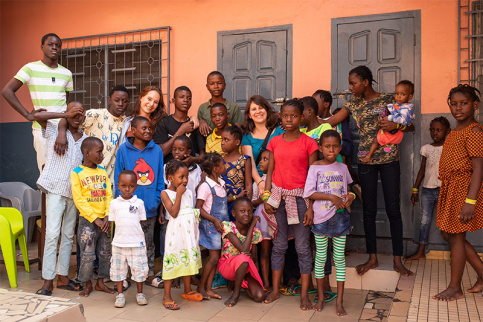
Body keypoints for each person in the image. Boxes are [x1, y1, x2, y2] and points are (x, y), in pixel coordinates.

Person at [324, 65, 413, 277]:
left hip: (390, 159)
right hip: (365, 161)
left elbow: (411, 125)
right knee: (369, 209)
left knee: (393, 209)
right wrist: (308, 124)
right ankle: (372, 257)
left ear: (365, 81)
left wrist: (396, 127)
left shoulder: (389, 100)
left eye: (353, 83)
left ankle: (397, 260)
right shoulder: (353, 103)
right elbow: (332, 121)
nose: (351, 87)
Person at [263, 99, 318, 310]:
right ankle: (276, 290)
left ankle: (304, 295)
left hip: (301, 200)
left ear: (301, 117)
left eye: (293, 116)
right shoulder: (275, 142)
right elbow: (270, 172)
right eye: (285, 115)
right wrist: (268, 196)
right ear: (280, 116)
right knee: (279, 246)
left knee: (303, 247)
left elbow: (314, 177)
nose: (289, 120)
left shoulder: (309, 143)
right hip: (278, 199)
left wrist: (311, 207)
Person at [433, 84, 483, 301]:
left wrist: (470, 200)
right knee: (448, 233)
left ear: (475, 105)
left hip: (464, 189)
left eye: (463, 103)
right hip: (450, 187)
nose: (458, 108)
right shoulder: (455, 131)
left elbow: (479, 168)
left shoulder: (474, 132)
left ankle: (455, 288)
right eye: (453, 104)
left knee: (456, 236)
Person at [34, 102, 86, 296]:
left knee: (67, 236)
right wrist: (64, 115)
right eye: (74, 111)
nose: (77, 115)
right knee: (52, 234)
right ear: (67, 113)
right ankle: (48, 280)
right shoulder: (54, 129)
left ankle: (62, 276)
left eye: (81, 113)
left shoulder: (85, 139)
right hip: (55, 188)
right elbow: (36, 116)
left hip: (74, 192)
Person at [1, 33, 73, 171]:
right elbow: (7, 91)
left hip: (63, 129)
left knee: (64, 170)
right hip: (42, 127)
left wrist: (63, 127)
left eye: (58, 45)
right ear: (42, 47)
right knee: (45, 171)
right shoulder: (30, 68)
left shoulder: (67, 73)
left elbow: (64, 99)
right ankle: (44, 194)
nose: (54, 48)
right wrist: (27, 115)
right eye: (50, 44)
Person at [304, 130, 356, 316]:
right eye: (327, 146)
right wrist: (331, 198)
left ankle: (340, 301)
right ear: (320, 147)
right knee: (320, 259)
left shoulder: (342, 167)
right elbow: (309, 192)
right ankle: (320, 297)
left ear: (340, 148)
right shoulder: (315, 167)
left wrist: (350, 196)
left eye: (335, 146)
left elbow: (348, 189)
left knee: (339, 259)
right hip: (320, 220)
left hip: (341, 219)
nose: (331, 150)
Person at [114, 116, 164, 288]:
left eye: (150, 128)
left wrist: (156, 200)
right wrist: (120, 203)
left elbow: (159, 179)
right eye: (144, 128)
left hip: (149, 207)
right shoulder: (123, 150)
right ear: (133, 130)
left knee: (147, 243)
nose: (148, 131)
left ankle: (147, 273)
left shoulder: (156, 150)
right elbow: (118, 176)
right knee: (127, 243)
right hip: (127, 209)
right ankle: (127, 276)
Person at [55, 86, 130, 182]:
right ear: (109, 100)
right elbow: (68, 118)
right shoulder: (96, 114)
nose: (120, 104)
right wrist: (61, 133)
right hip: (88, 176)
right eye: (117, 100)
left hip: (109, 178)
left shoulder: (126, 122)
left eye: (124, 101)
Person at [71, 137, 114, 297]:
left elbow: (109, 195)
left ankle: (100, 283)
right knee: (88, 255)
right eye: (99, 151)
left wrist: (108, 215)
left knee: (105, 253)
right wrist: (96, 219)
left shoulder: (102, 171)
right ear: (87, 153)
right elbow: (79, 200)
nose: (102, 155)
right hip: (88, 222)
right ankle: (87, 283)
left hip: (105, 221)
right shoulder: (77, 173)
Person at [161, 160, 203, 310]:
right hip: (175, 234)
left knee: (187, 259)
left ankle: (187, 290)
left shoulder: (189, 192)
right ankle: (167, 296)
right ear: (170, 178)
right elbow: (173, 212)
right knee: (172, 260)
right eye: (181, 177)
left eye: (186, 176)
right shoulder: (165, 193)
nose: (185, 180)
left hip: (188, 233)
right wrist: (178, 195)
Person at [406, 117, 450, 261]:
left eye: (438, 130)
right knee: (425, 221)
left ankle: (455, 252)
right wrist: (415, 189)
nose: (434, 133)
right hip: (427, 190)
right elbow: (422, 170)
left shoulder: (450, 148)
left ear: (447, 131)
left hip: (445, 190)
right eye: (432, 130)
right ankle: (420, 252)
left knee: (446, 223)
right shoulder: (426, 148)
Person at [109, 170, 149, 308]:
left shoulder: (139, 203)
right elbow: (114, 222)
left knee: (139, 269)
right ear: (118, 186)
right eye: (124, 186)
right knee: (118, 270)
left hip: (136, 243)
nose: (127, 189)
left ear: (136, 186)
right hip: (119, 243)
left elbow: (141, 221)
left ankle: (140, 293)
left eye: (131, 186)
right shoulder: (114, 203)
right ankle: (120, 295)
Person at [218, 197, 266, 307]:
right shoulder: (227, 226)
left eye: (250, 211)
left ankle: (238, 283)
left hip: (245, 269)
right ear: (234, 213)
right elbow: (244, 250)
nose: (247, 214)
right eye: (242, 211)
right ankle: (236, 293)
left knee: (260, 296)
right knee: (244, 258)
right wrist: (252, 227)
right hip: (227, 267)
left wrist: (250, 257)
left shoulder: (255, 232)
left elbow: (253, 257)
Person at [196, 153, 230, 300]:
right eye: (223, 164)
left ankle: (208, 288)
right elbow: (198, 208)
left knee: (215, 258)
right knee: (214, 258)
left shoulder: (221, 183)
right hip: (211, 226)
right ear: (216, 168)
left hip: (220, 225)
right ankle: (201, 287)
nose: (225, 166)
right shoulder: (205, 186)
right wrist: (214, 220)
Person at [360, 80, 416, 163]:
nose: (399, 96)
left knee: (376, 140)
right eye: (397, 94)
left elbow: (403, 120)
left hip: (396, 133)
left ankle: (368, 156)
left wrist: (389, 118)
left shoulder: (406, 109)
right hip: (394, 131)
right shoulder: (400, 105)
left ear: (410, 97)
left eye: (402, 94)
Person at [241, 95, 284, 195]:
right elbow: (250, 162)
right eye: (254, 109)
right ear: (249, 115)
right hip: (259, 180)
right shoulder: (247, 136)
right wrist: (260, 182)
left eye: (261, 108)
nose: (258, 111)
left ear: (267, 110)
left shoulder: (280, 130)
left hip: (279, 180)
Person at [154, 86, 205, 164]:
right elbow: (160, 153)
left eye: (189, 98)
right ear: (173, 101)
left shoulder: (194, 124)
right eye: (181, 97)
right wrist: (180, 131)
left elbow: (203, 156)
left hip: (190, 172)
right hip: (169, 171)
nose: (185, 100)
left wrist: (193, 159)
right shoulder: (163, 123)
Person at [251, 149, 273, 290]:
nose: (261, 162)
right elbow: (252, 202)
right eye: (261, 159)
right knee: (264, 253)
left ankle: (278, 281)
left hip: (276, 220)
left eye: (266, 159)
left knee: (278, 251)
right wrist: (259, 200)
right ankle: (265, 282)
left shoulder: (279, 179)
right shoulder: (258, 182)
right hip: (262, 222)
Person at [221, 125, 253, 219]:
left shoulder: (244, 160)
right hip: (223, 203)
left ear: (237, 142)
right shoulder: (219, 159)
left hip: (239, 203)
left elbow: (248, 184)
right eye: (222, 140)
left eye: (226, 140)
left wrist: (248, 203)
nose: (222, 143)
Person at [198, 71, 243, 136]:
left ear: (224, 85)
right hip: (209, 144)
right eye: (212, 84)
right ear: (207, 86)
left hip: (228, 143)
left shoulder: (233, 107)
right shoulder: (203, 108)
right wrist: (200, 121)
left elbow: (238, 129)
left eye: (219, 83)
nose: (216, 86)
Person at [299, 96, 340, 162]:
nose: (298, 116)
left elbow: (327, 151)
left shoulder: (325, 127)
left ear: (309, 111)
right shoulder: (300, 131)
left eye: (300, 113)